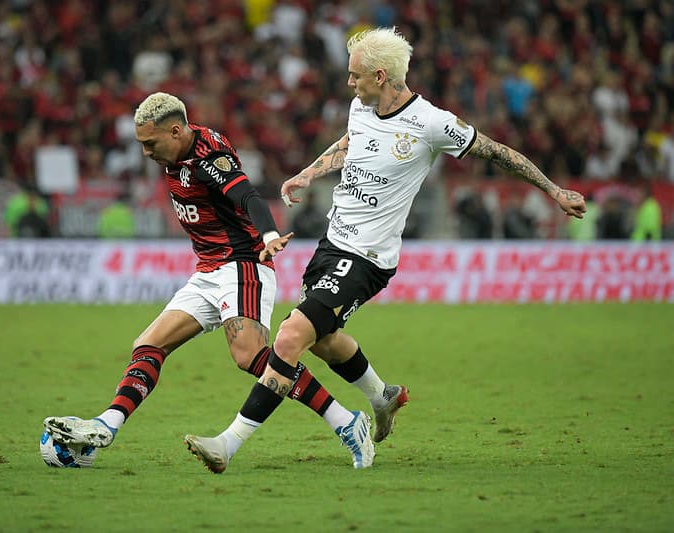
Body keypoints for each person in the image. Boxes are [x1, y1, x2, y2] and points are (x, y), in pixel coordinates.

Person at [185, 27, 586, 473]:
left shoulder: (432, 123)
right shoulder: (362, 106)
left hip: (366, 259)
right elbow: (350, 142)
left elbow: (497, 152)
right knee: (324, 341)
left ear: (380, 75)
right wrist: (307, 173)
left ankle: (228, 444)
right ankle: (383, 396)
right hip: (331, 244)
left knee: (291, 337)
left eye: (356, 76)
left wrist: (553, 190)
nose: (350, 84)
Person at [43, 92, 373, 467]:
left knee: (249, 355)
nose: (146, 153)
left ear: (176, 130)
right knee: (148, 343)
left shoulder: (207, 158)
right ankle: (108, 424)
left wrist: (267, 235)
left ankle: (346, 422)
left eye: (150, 144)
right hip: (207, 270)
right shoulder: (173, 154)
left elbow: (248, 196)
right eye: (141, 145)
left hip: (243, 266)